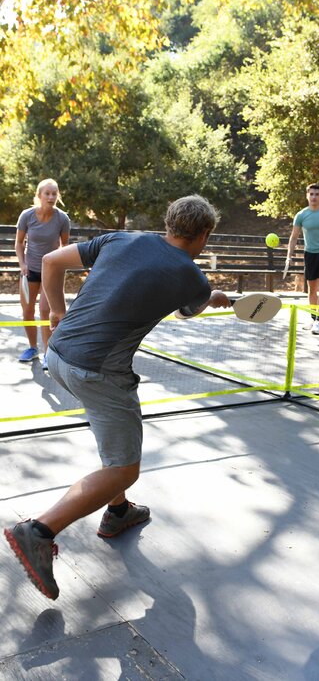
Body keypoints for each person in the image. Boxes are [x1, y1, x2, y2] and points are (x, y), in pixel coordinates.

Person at [3, 195, 231, 600]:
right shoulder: (193, 277)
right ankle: (37, 531)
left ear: (169, 222)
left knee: (115, 438)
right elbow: (189, 309)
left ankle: (119, 511)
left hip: (56, 356)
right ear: (204, 235)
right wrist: (213, 296)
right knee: (124, 468)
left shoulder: (123, 239)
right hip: (99, 372)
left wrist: (56, 313)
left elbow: (52, 262)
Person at [15, 178, 70, 369]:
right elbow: (19, 243)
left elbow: (65, 247)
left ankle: (48, 353)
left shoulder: (62, 218)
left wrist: (59, 272)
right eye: (47, 193)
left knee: (47, 311)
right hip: (29, 270)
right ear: (39, 195)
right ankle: (32, 348)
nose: (51, 197)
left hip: (50, 271)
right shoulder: (27, 215)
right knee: (27, 311)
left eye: (54, 193)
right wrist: (22, 264)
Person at [286, 183, 319, 335]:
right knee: (311, 290)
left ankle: (318, 321)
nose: (314, 197)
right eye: (312, 194)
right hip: (310, 255)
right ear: (307, 196)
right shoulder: (301, 215)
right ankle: (313, 318)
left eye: (317, 194)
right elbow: (294, 237)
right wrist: (288, 256)